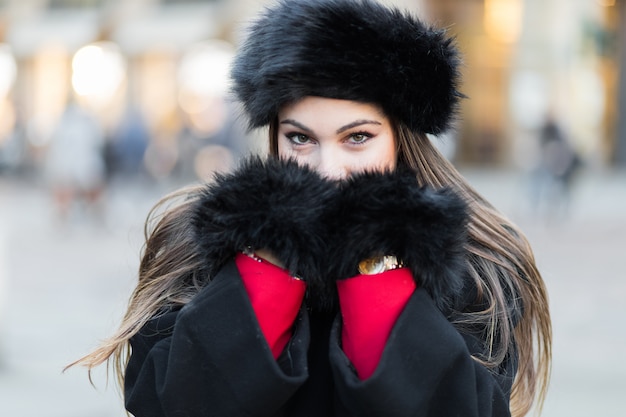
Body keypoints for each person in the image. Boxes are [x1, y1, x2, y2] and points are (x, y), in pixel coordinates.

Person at [68, 1, 551, 416]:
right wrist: (269, 262)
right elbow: (172, 401)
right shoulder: (199, 244)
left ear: (402, 138)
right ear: (274, 136)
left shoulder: (477, 263)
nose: (328, 168)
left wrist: (375, 264)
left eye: (357, 137)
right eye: (301, 138)